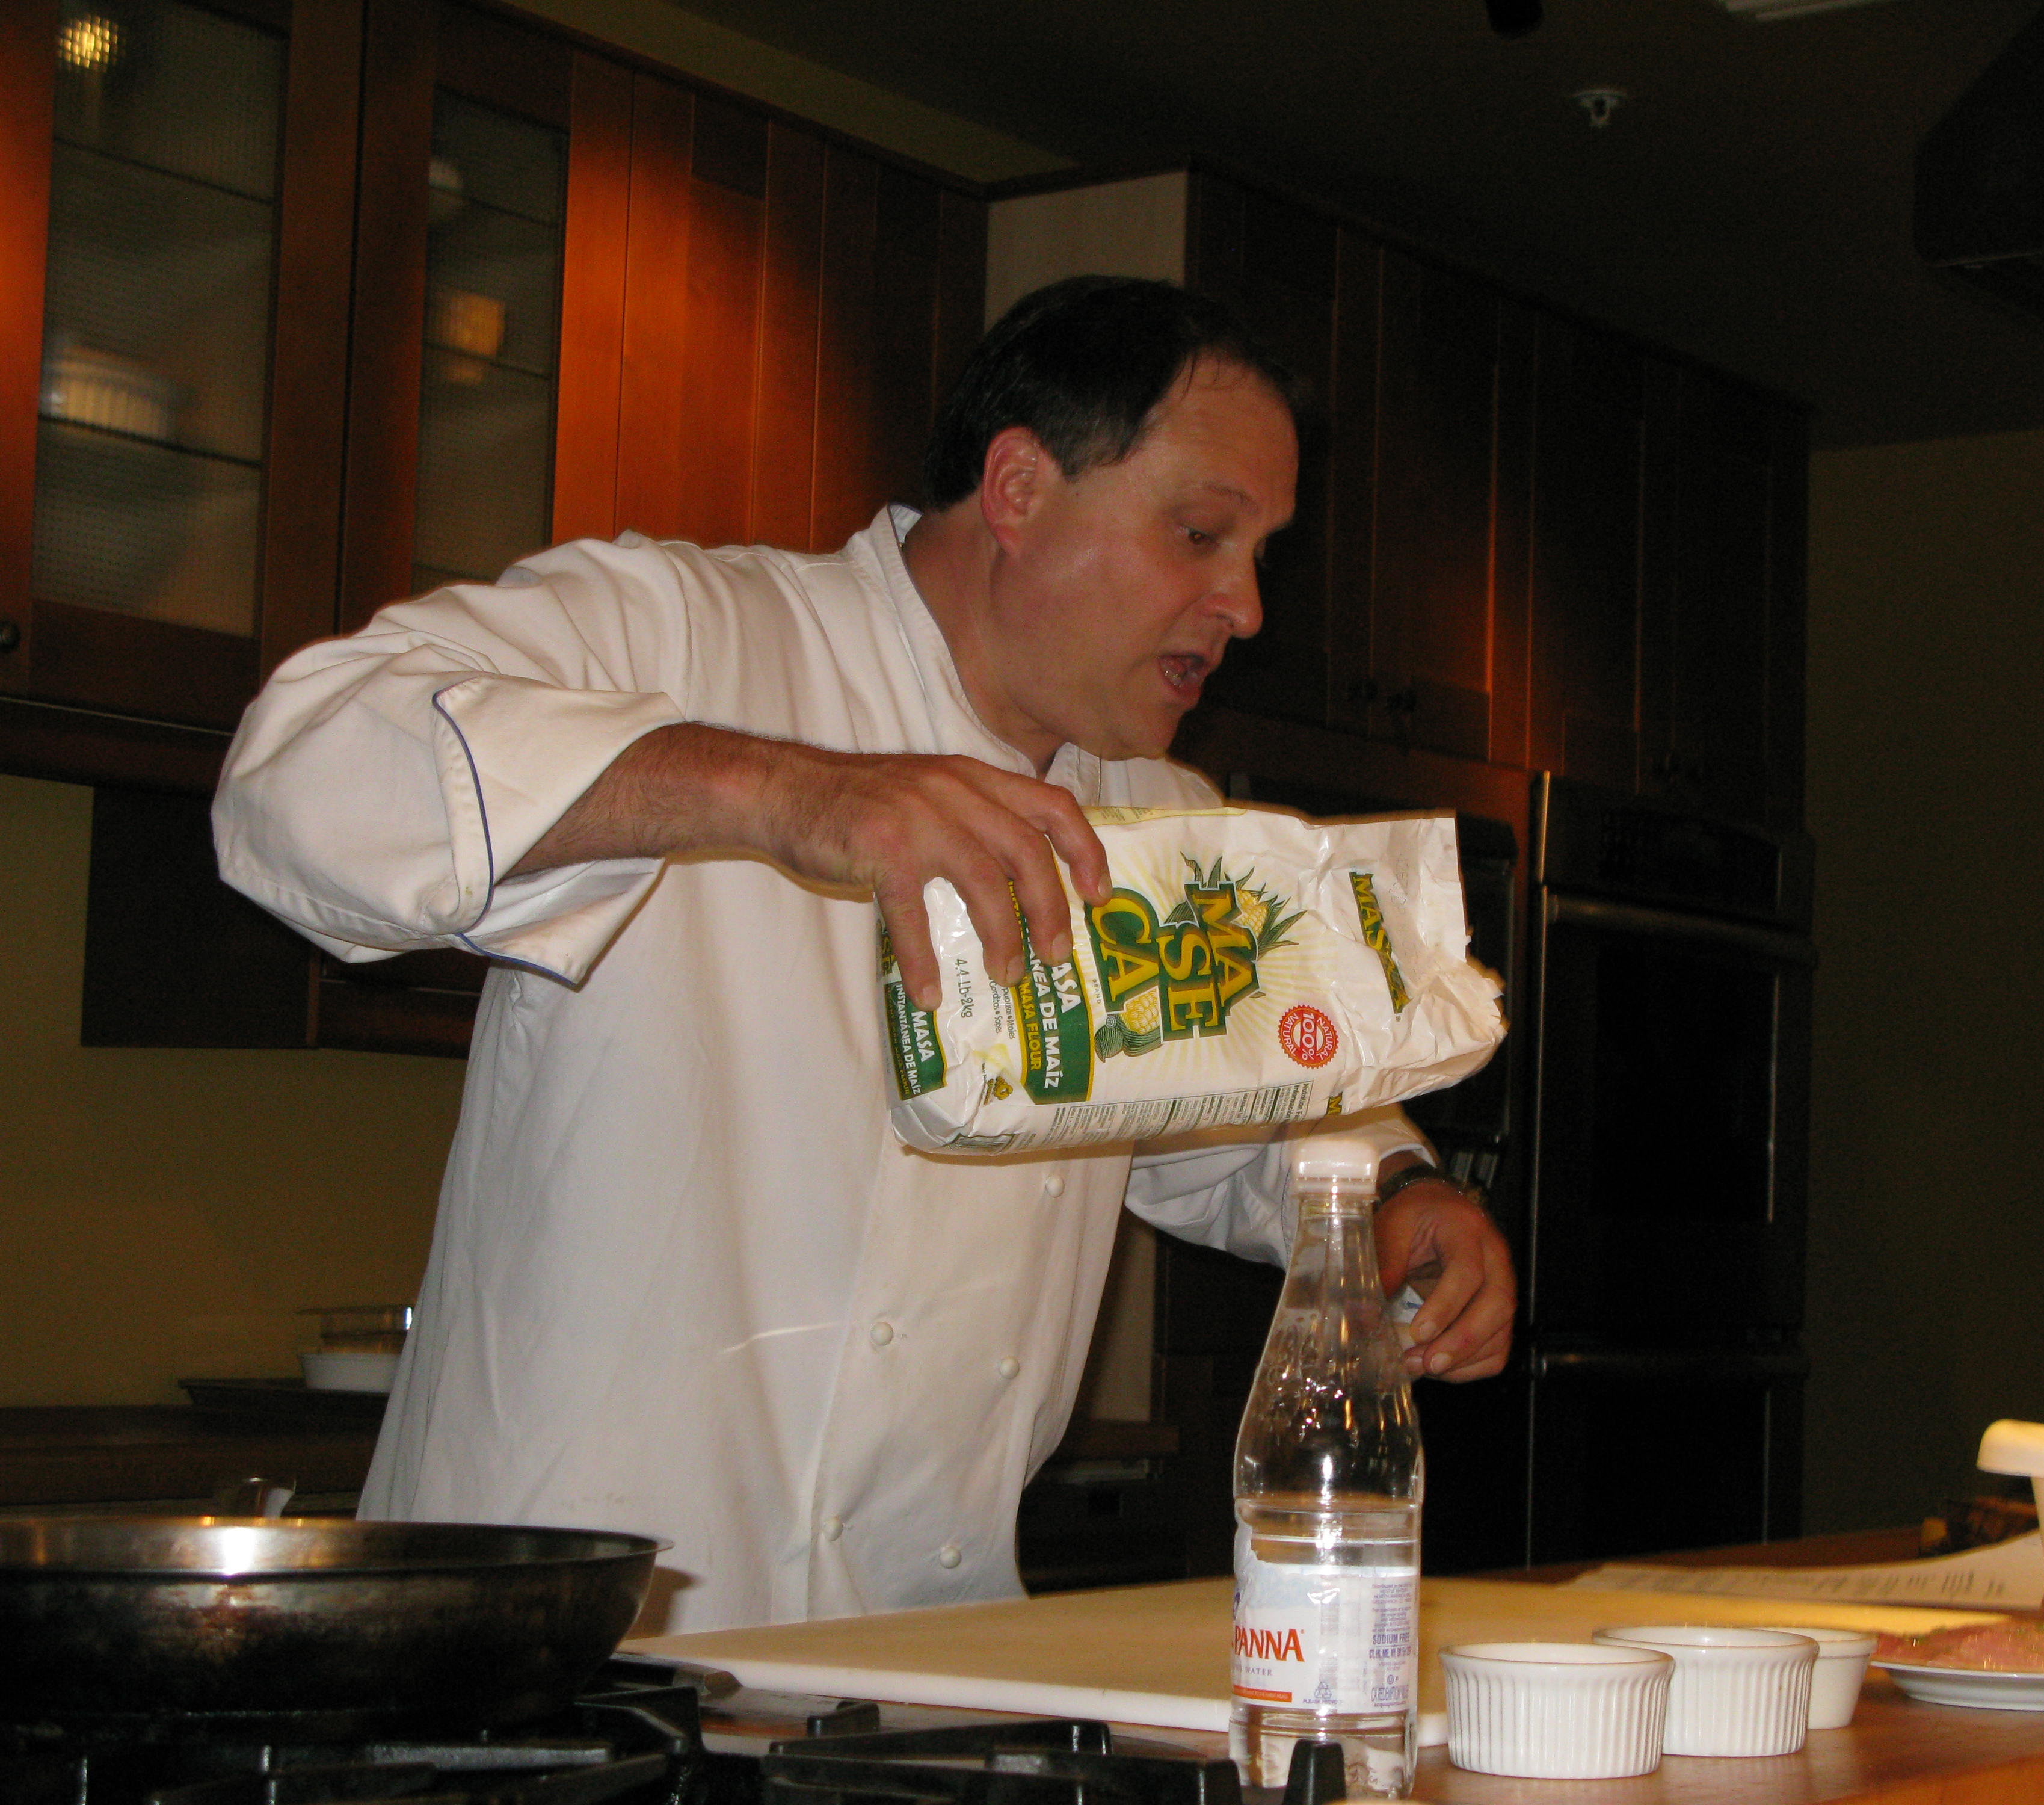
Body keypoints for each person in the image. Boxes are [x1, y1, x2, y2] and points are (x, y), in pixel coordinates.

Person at [213, 277, 1513, 1634]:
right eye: (1199, 534)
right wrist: (784, 793)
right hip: (553, 1646)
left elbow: (1253, 1117)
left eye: (1258, 554)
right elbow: (294, 774)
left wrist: (1398, 1189)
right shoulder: (686, 633)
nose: (1243, 605)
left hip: (913, 1664)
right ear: (1017, 489)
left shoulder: (1155, 817)